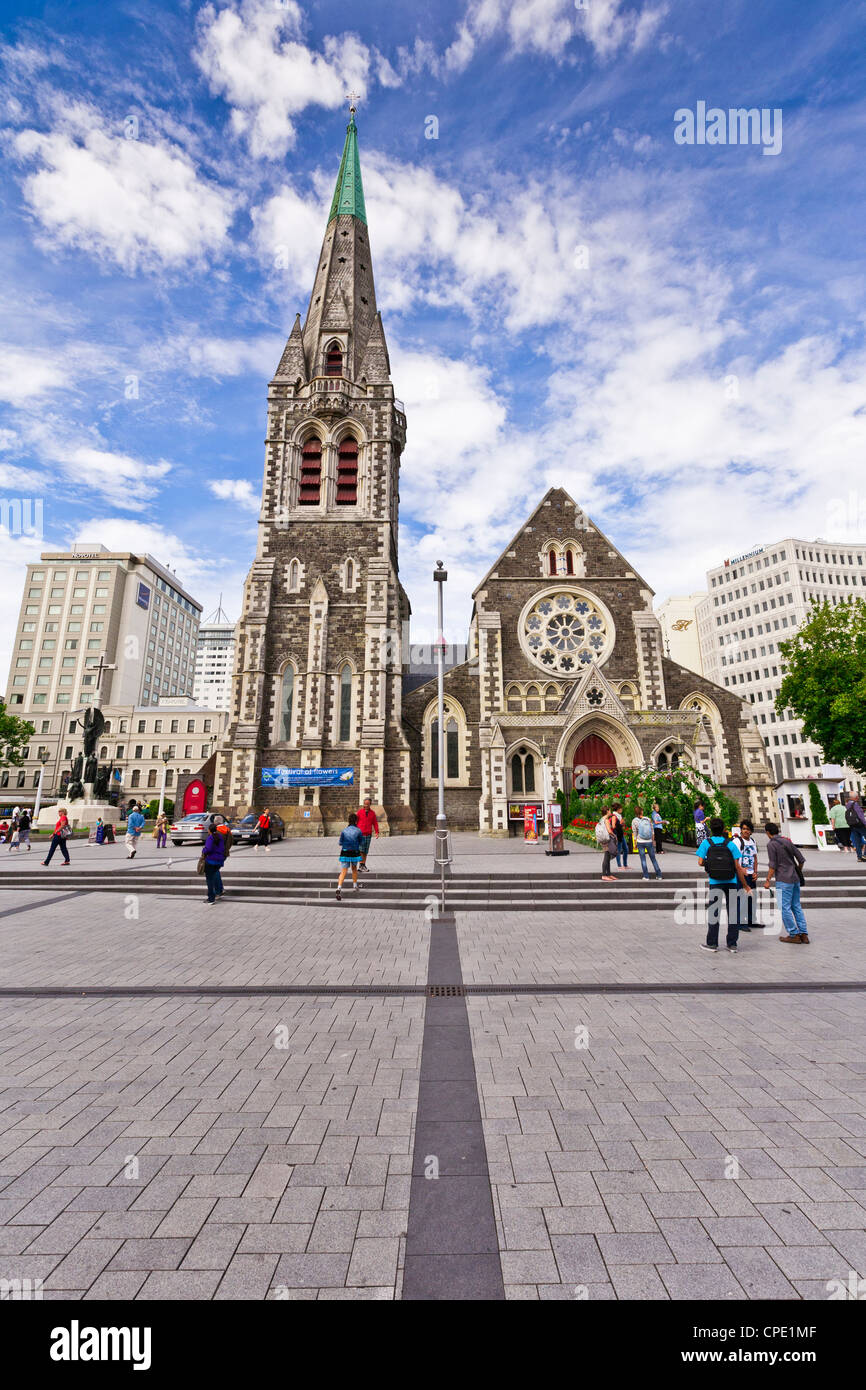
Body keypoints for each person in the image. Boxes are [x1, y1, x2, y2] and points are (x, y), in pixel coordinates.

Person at [696, 817, 752, 953]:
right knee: (733, 912)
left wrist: (711, 863)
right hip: (731, 881)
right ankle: (732, 944)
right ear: (723, 829)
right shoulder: (730, 844)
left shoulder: (706, 843)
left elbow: (700, 862)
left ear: (711, 829)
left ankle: (712, 944)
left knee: (714, 913)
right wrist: (745, 885)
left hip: (715, 882)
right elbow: (737, 867)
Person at [764, 821, 809, 943]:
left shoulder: (771, 845)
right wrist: (797, 871)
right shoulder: (787, 841)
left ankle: (793, 934)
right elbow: (801, 859)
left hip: (783, 879)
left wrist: (767, 880)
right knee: (796, 906)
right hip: (795, 878)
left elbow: (772, 865)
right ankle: (804, 933)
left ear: (767, 833)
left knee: (784, 907)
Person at [730, 819, 766, 930]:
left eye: (748, 829)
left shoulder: (753, 841)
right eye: (744, 829)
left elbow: (755, 858)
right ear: (741, 830)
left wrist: (755, 872)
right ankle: (741, 923)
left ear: (751, 831)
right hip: (741, 874)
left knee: (752, 898)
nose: (745, 831)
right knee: (742, 898)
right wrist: (741, 869)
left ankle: (751, 920)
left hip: (751, 874)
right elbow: (733, 859)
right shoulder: (737, 841)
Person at [336, 812, 364, 900]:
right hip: (354, 852)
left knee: (343, 871)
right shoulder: (358, 831)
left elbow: (340, 843)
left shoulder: (344, 831)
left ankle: (339, 888)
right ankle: (355, 885)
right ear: (356, 821)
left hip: (345, 852)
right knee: (354, 869)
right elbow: (362, 842)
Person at [632, 806, 663, 881]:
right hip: (649, 841)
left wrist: (635, 843)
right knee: (653, 859)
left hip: (640, 842)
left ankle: (646, 876)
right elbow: (652, 831)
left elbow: (634, 833)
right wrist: (653, 841)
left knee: (643, 860)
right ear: (642, 811)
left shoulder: (634, 821)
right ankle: (659, 875)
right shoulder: (648, 819)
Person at [201, 820, 226, 904]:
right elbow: (222, 848)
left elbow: (208, 849)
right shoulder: (220, 837)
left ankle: (211, 898)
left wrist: (203, 850)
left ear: (209, 830)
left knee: (209, 880)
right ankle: (217, 892)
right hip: (219, 861)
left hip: (211, 861)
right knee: (215, 876)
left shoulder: (210, 837)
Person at [356, 797, 379, 872]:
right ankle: (361, 864)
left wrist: (377, 832)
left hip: (368, 834)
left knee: (365, 851)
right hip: (360, 834)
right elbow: (356, 822)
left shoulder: (372, 813)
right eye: (364, 804)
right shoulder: (359, 812)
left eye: (367, 804)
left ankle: (363, 865)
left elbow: (375, 823)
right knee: (361, 850)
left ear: (370, 804)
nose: (365, 805)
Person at [598, 807, 618, 882]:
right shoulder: (606, 820)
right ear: (607, 811)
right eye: (609, 810)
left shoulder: (601, 819)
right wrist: (614, 835)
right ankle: (604, 875)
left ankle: (609, 874)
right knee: (606, 857)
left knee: (608, 855)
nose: (610, 812)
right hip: (606, 840)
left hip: (603, 839)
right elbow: (609, 831)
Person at [845, 794, 866, 862]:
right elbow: (860, 815)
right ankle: (865, 855)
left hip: (852, 825)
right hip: (859, 825)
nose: (858, 798)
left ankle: (859, 857)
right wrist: (865, 823)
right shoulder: (855, 804)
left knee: (857, 841)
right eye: (857, 797)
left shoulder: (848, 805)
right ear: (856, 798)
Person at [611, 803, 629, 869]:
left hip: (621, 834)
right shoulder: (614, 816)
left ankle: (625, 865)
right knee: (618, 850)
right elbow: (613, 826)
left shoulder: (619, 815)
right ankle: (619, 866)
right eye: (621, 808)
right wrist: (621, 824)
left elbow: (620, 826)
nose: (622, 809)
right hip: (617, 835)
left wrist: (622, 824)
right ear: (618, 809)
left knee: (626, 849)